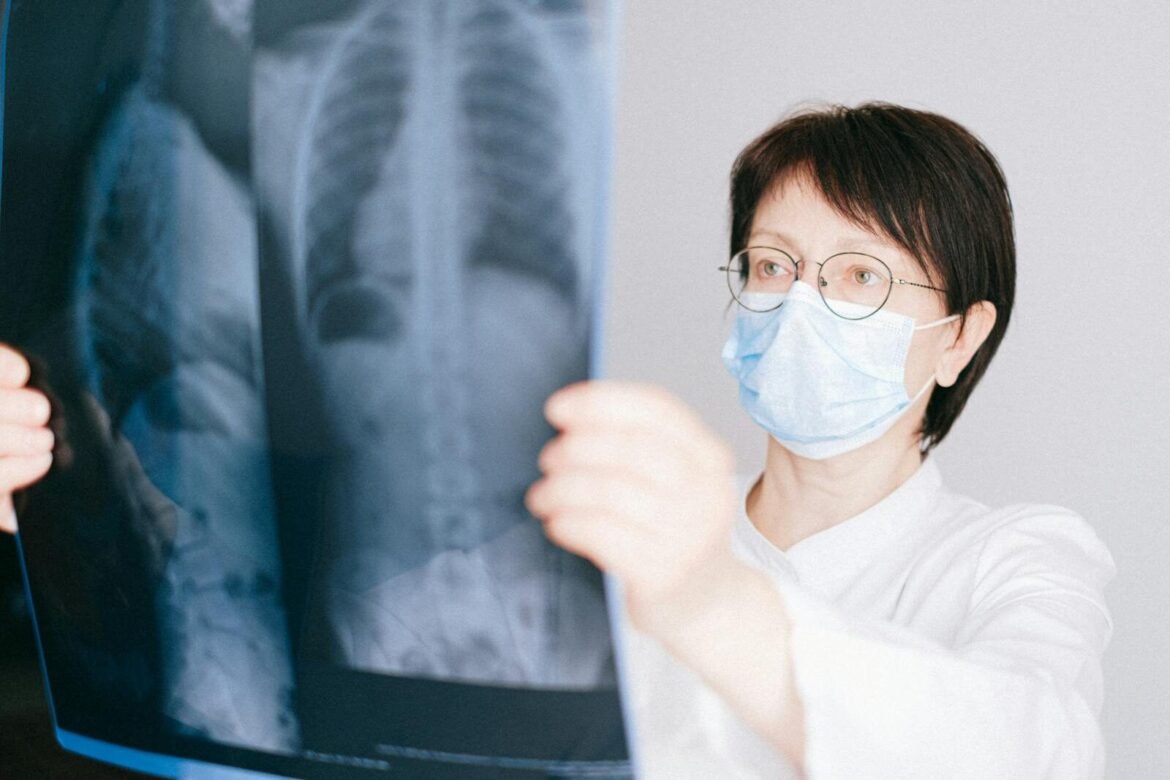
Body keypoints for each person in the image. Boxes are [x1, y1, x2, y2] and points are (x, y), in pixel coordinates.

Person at [1, 102, 1114, 778]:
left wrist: (706, 600)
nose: (801, 305)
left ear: (961, 338)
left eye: (861, 276)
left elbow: (1035, 754)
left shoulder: (1018, 556)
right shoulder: (616, 535)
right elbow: (331, 649)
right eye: (773, 265)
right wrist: (60, 500)